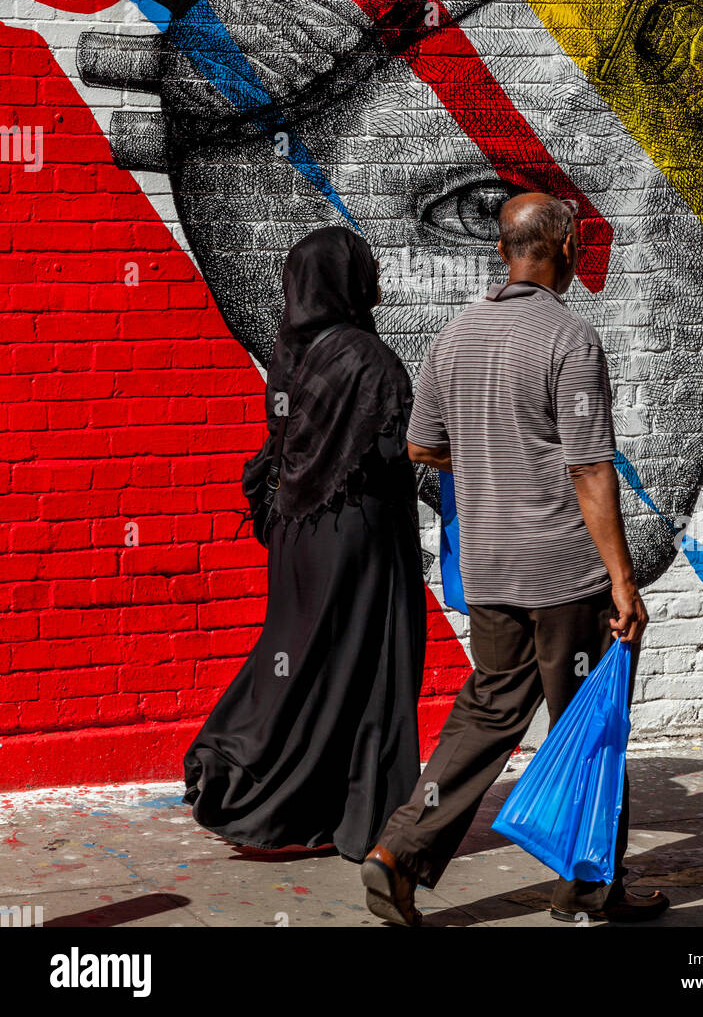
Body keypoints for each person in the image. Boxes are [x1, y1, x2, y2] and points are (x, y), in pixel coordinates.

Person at [361, 192, 668, 926]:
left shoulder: (454, 336)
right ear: (565, 249)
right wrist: (623, 584)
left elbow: (421, 446)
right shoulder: (570, 338)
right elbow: (590, 469)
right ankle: (586, 892)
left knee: (490, 709)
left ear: (502, 252)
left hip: (493, 566)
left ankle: (400, 851)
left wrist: (491, 455)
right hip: (567, 574)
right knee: (586, 726)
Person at [183, 227, 428, 860]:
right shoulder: (365, 357)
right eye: (366, 270)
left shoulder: (290, 354)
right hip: (360, 534)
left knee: (301, 655)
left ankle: (245, 768)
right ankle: (356, 811)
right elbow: (396, 450)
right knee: (367, 666)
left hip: (295, 534)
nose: (375, 281)